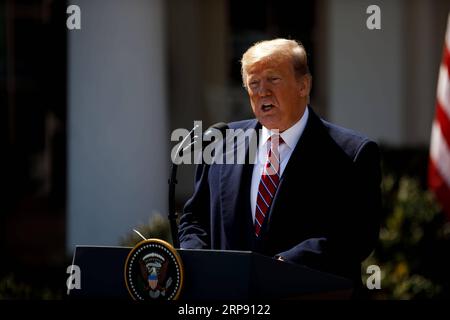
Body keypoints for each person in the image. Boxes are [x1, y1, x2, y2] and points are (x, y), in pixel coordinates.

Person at [178, 38, 381, 288]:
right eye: (253, 83)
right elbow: (195, 218)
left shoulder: (352, 153)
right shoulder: (220, 142)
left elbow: (355, 235)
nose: (262, 91)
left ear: (303, 85)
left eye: (273, 79)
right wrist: (198, 260)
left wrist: (278, 268)